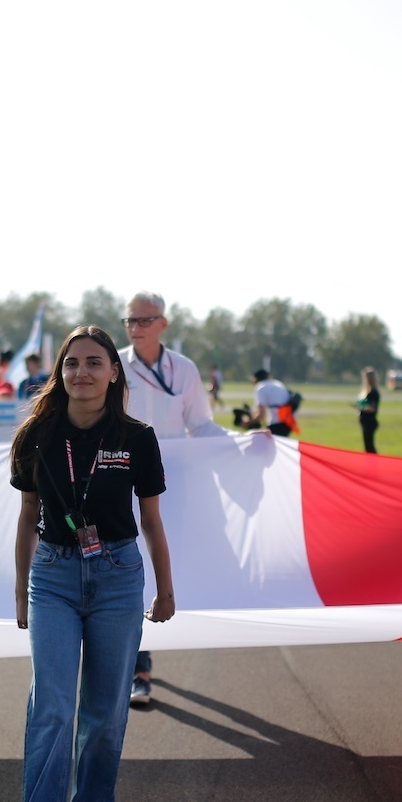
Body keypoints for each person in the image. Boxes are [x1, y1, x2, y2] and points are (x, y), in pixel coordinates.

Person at [9, 325, 174, 802]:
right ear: (60, 372)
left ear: (113, 372)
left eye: (94, 362)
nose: (82, 372)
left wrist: (166, 588)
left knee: (104, 716)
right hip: (52, 577)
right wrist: (19, 587)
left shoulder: (137, 437)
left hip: (118, 578)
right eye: (72, 363)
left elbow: (151, 519)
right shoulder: (36, 434)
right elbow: (28, 514)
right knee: (52, 710)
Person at [118, 290, 225, 707]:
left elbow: (201, 425)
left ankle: (136, 656)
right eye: (130, 321)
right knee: (129, 569)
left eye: (145, 321)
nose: (136, 328)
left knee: (163, 569)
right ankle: (136, 668)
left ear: (163, 324)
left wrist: (243, 441)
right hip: (119, 481)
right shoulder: (114, 365)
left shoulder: (183, 369)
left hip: (170, 487)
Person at [251, 369, 295, 435]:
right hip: (289, 420)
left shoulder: (261, 387)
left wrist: (249, 422)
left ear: (256, 378)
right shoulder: (277, 383)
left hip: (276, 422)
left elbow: (261, 413)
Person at [356, 366, 381, 454]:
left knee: (369, 446)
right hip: (365, 421)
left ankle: (374, 463)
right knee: (367, 445)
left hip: (369, 422)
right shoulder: (367, 391)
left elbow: (372, 408)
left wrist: (360, 407)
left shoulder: (373, 393)